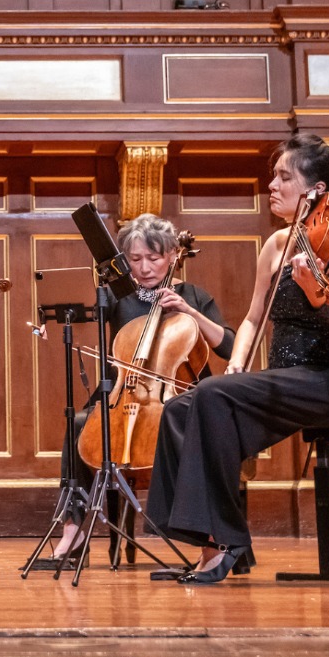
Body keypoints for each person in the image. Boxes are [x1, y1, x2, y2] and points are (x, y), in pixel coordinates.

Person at [145, 133, 329, 583]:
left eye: (283, 177)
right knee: (180, 407)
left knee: (212, 397)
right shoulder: (278, 243)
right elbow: (254, 318)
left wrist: (317, 296)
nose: (271, 185)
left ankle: (226, 544)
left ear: (315, 190)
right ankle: (210, 545)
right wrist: (237, 363)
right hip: (287, 375)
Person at [52, 212, 236, 561]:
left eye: (153, 258)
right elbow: (76, 314)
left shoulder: (194, 295)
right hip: (127, 392)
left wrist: (190, 313)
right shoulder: (118, 296)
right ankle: (73, 530)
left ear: (171, 256)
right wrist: (56, 321)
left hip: (181, 396)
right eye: (135, 260)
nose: (145, 268)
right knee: (79, 424)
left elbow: (227, 345)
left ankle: (210, 541)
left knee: (189, 427)